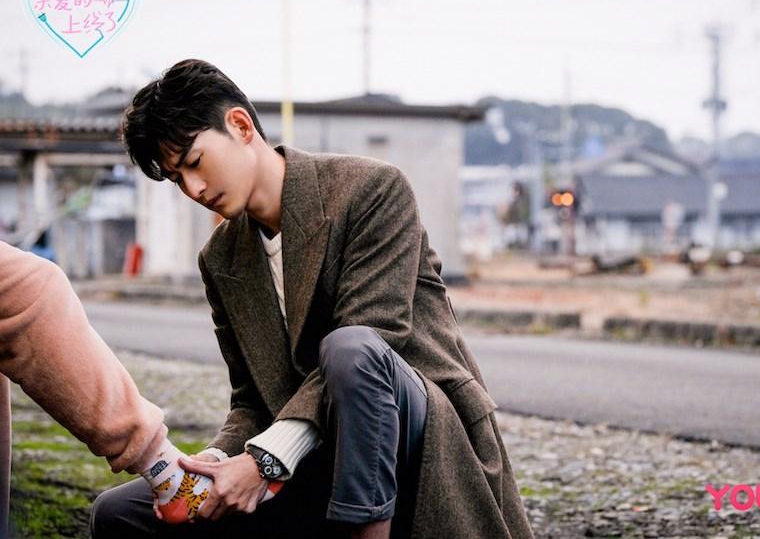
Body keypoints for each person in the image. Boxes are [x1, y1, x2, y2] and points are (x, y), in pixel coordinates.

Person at [91, 59, 534, 539]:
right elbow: (251, 399)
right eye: (177, 178)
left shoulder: (371, 190)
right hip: (307, 458)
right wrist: (216, 462)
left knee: (351, 347)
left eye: (195, 162)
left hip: (420, 444)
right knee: (117, 512)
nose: (193, 189)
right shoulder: (220, 257)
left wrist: (263, 461)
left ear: (240, 126)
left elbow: (376, 340)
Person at [0, 241, 282, 539]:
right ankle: (166, 471)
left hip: (296, 449)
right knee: (30, 287)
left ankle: (169, 471)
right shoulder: (221, 252)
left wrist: (266, 457)